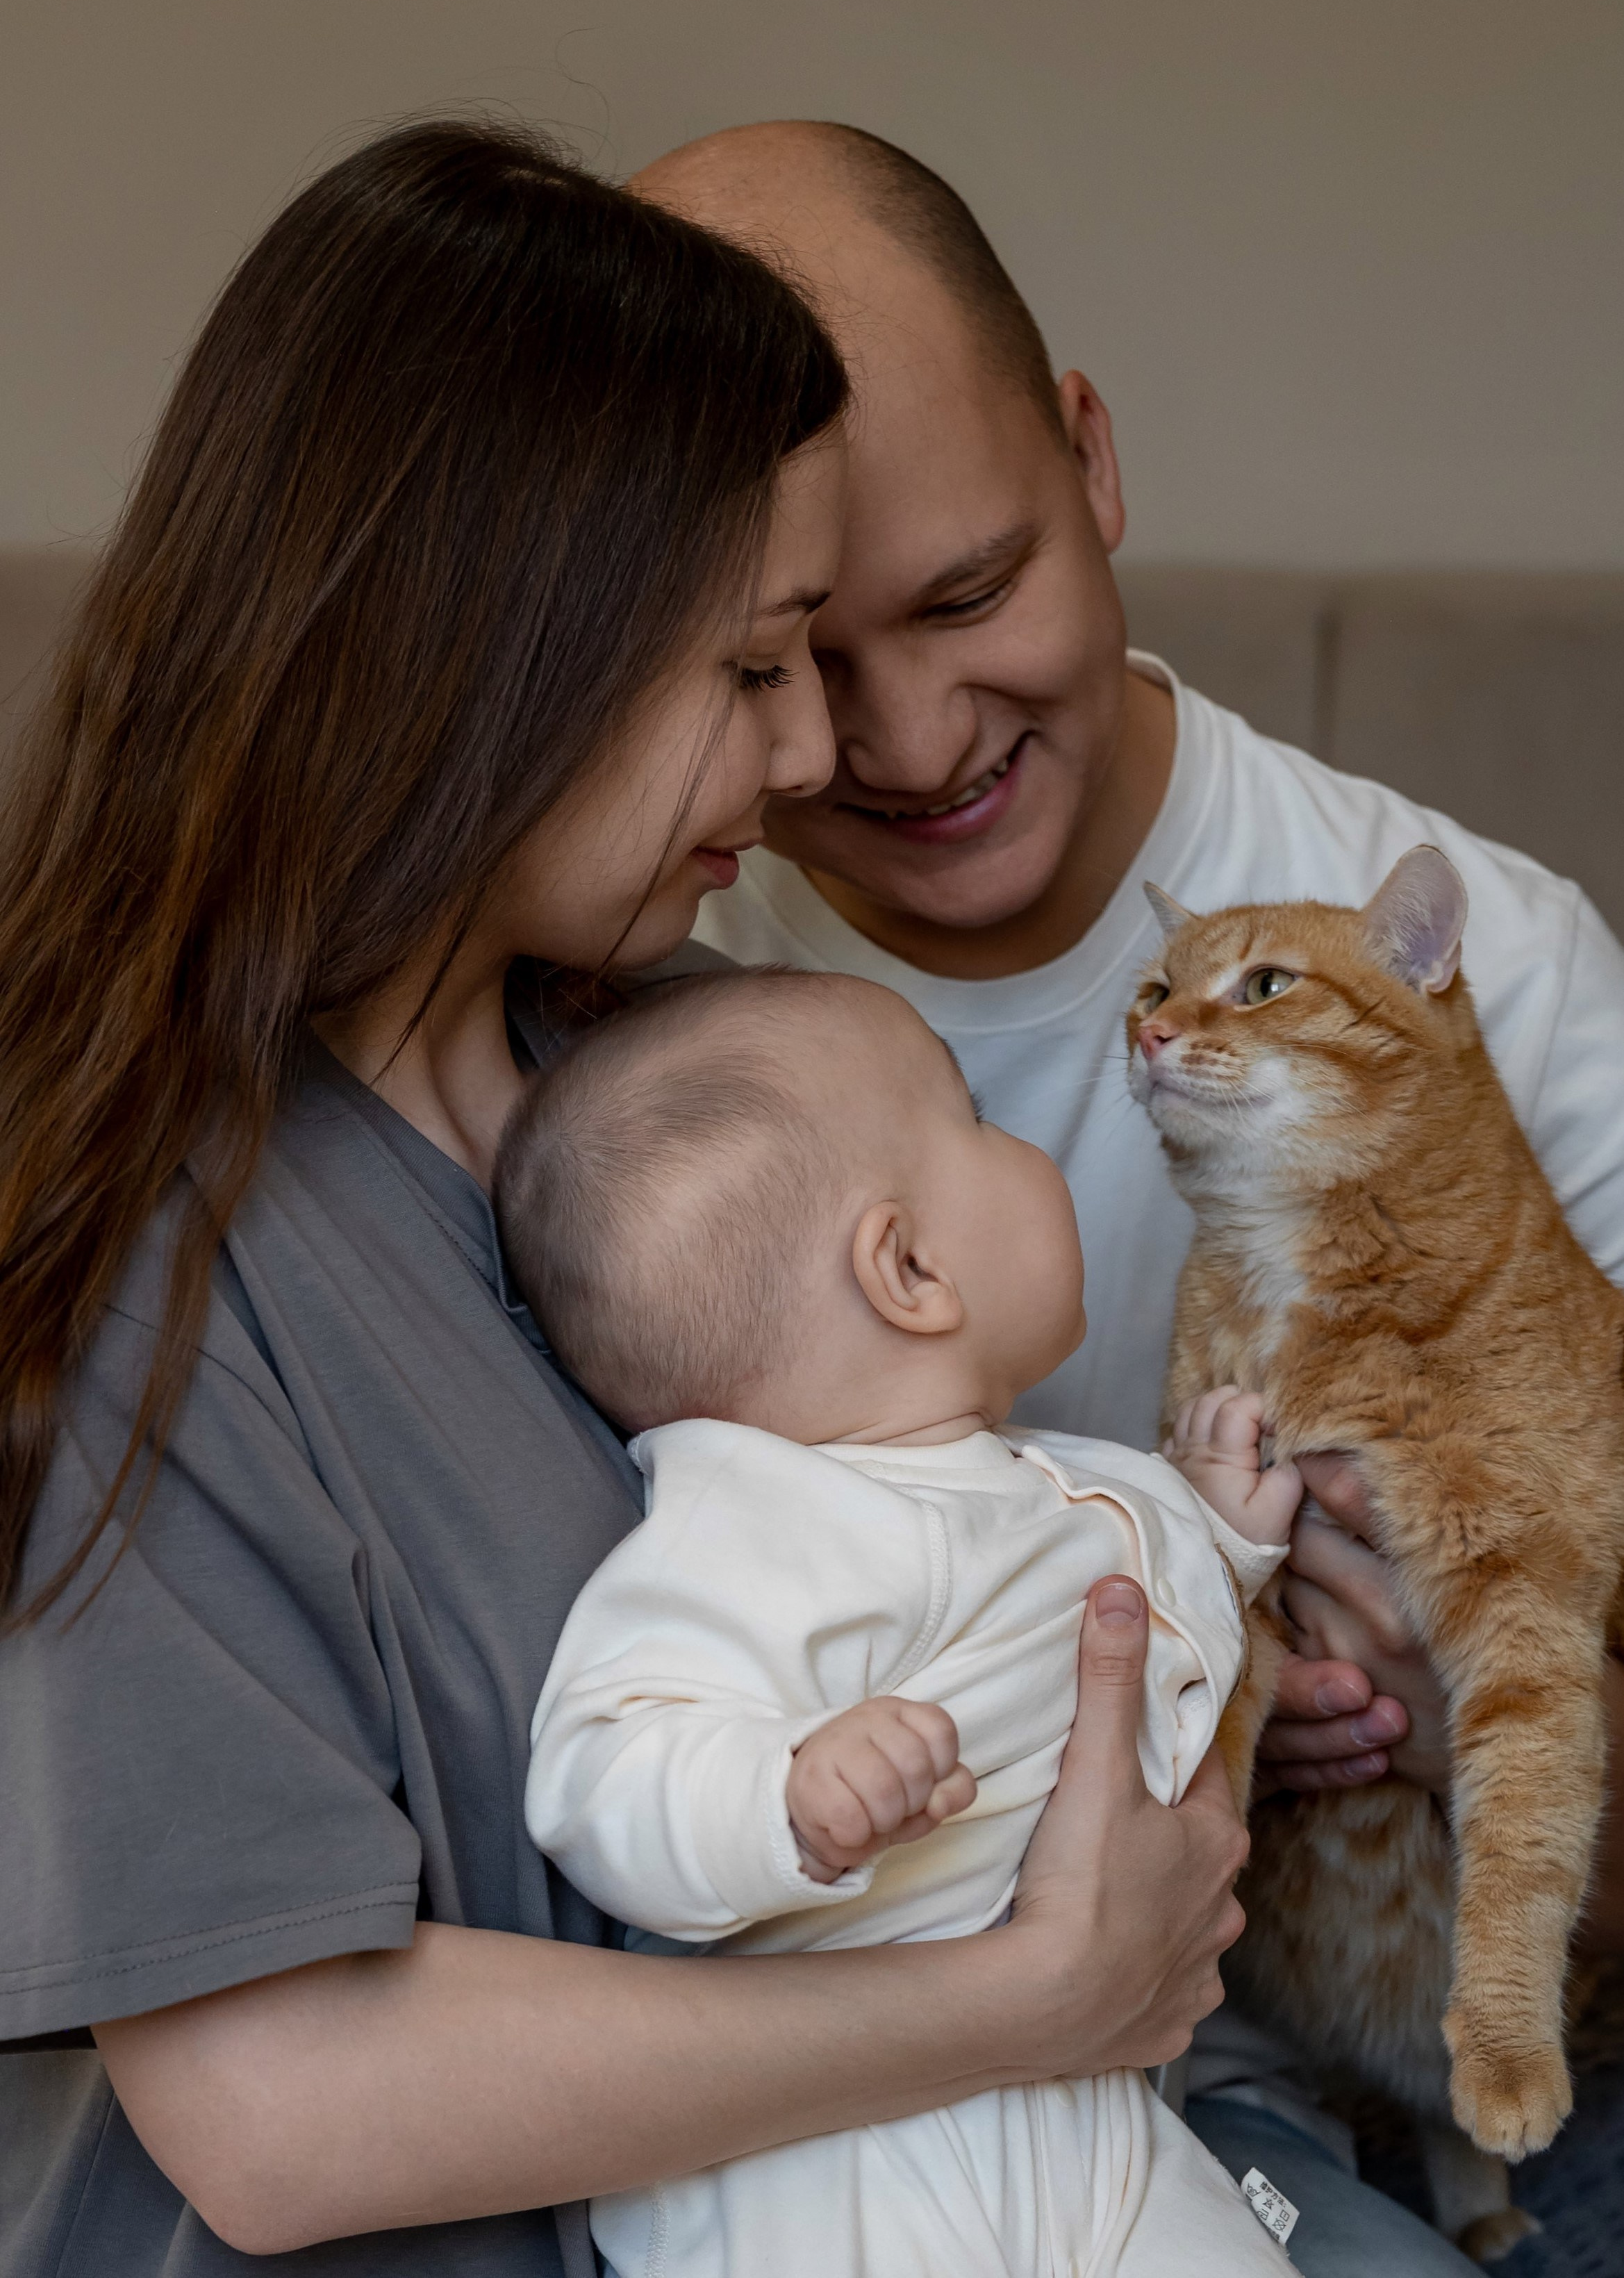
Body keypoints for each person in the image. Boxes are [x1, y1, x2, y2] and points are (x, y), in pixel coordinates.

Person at [0, 117, 1254, 2277]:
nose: (804, 763)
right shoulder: (150, 1254)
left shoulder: (665, 1062)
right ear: (495, 652)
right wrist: (1025, 1994)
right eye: (753, 665)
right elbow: (279, 2103)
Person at [634, 117, 1624, 2271]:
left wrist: (1485, 1709)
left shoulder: (1502, 981)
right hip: (967, 2103)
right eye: (793, 649)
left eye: (970, 593)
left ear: (1090, 461)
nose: (904, 740)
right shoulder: (652, 1030)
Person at [506, 964, 1298, 2277]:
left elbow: (1108, 1619)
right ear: (911, 1268)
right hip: (836, 2164)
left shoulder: (1037, 1479)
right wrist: (781, 1797)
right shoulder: (760, 1524)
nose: (1028, 1144)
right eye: (978, 1117)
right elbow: (604, 1761)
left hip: (1088, 2123)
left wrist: (1214, 1533)